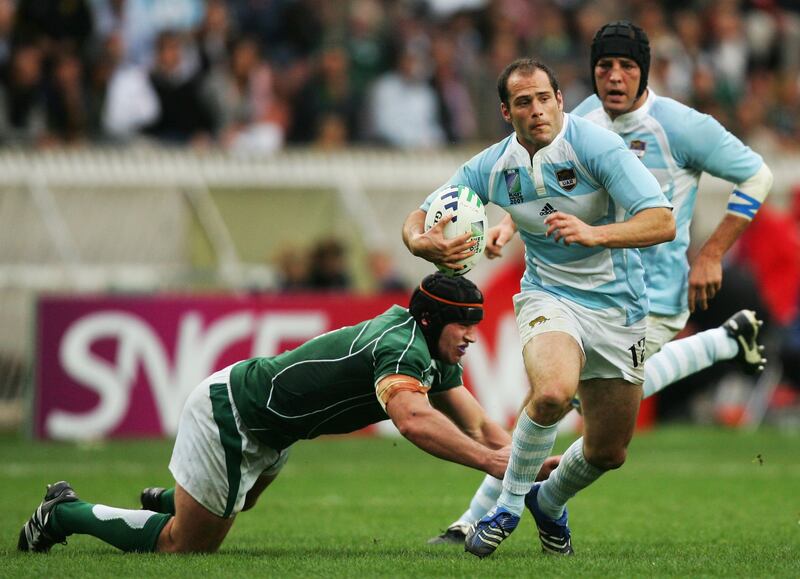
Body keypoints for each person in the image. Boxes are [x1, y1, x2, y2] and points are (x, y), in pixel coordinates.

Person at [426, 21, 772, 551]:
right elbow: (547, 183)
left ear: (644, 72)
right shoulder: (574, 117)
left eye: (627, 66)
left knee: (588, 413)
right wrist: (508, 223)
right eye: (604, 66)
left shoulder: (680, 126)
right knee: (553, 397)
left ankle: (724, 340)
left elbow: (758, 176)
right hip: (576, 287)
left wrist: (713, 251)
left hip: (650, 294)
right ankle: (486, 517)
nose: (613, 77)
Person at [17, 273, 561, 555]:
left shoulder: (427, 348)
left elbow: (481, 424)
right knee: (185, 548)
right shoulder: (401, 349)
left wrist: (521, 457)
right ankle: (65, 512)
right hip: (235, 414)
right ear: (432, 319)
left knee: (243, 501)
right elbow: (413, 421)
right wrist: (493, 465)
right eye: (464, 324)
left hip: (273, 428)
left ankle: (172, 499)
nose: (472, 336)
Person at [402, 57, 676, 557]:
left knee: (608, 451)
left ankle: (548, 502)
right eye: (524, 102)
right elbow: (421, 214)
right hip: (550, 295)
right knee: (551, 394)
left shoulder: (597, 147)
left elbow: (661, 221)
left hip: (620, 309)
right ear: (507, 112)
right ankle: (507, 505)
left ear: (560, 101)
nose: (537, 110)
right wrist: (420, 243)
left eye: (544, 98)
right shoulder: (491, 165)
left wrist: (596, 233)